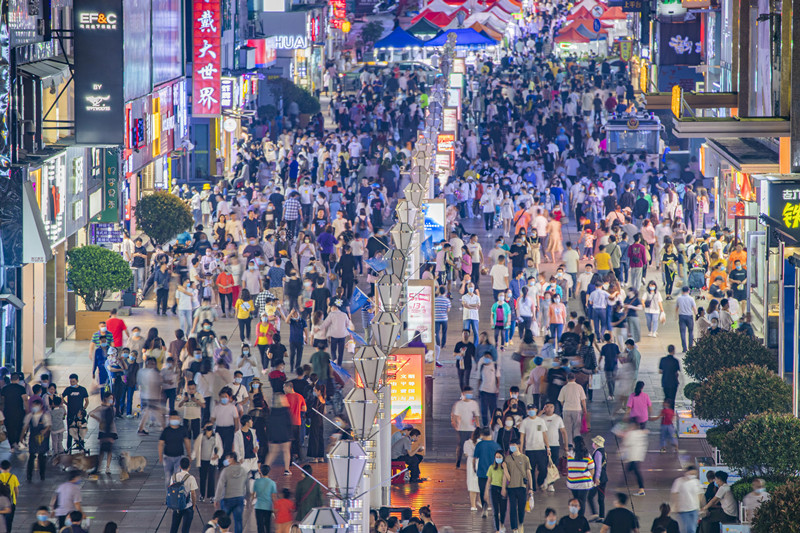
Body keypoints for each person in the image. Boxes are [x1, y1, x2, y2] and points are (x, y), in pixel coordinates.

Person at [503, 437, 533, 533]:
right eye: (511, 445)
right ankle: (514, 528)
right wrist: (504, 487)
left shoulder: (525, 458)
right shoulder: (507, 459)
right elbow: (505, 474)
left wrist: (531, 488)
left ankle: (520, 523)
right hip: (511, 487)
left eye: (514, 445)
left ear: (518, 446)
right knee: (512, 508)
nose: (512, 447)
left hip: (522, 487)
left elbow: (529, 473)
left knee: (521, 508)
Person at [215, 452, 250, 533]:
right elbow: (247, 484)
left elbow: (220, 485)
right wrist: (247, 496)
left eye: (228, 458)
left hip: (227, 499)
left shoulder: (226, 471)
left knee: (224, 522)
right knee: (238, 521)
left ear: (232, 458)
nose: (226, 460)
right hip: (239, 498)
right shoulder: (243, 470)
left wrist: (217, 498)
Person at [519, 403, 549, 492]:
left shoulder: (541, 421)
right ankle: (532, 487)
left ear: (536, 410)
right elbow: (522, 436)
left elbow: (544, 434)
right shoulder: (525, 422)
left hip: (540, 449)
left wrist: (548, 447)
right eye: (529, 409)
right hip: (529, 449)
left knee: (543, 468)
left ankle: (540, 482)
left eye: (533, 409)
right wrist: (521, 449)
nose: (531, 411)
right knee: (530, 470)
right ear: (527, 411)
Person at [159, 411, 192, 488]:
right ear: (169, 419)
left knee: (177, 477)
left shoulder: (182, 429)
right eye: (173, 418)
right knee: (168, 477)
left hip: (179, 456)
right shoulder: (166, 430)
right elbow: (161, 443)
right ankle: (168, 496)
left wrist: (189, 454)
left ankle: (176, 495)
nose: (175, 420)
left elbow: (187, 442)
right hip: (167, 457)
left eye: (176, 418)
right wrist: (160, 456)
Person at [473, 427, 501, 515]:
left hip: (482, 471)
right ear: (490, 434)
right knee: (496, 491)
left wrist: (474, 468)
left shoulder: (479, 445)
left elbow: (475, 458)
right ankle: (498, 509)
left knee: (482, 490)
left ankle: (484, 509)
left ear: (482, 434)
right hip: (495, 472)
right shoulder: (496, 445)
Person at [22, 398, 51, 481]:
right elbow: (25, 427)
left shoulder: (45, 415)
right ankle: (29, 476)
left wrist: (45, 430)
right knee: (31, 457)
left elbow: (48, 426)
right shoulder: (29, 416)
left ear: (41, 406)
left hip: (42, 438)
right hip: (32, 438)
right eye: (33, 406)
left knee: (42, 457)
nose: (34, 407)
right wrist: (22, 436)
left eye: (36, 406)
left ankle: (42, 475)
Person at [451, 387, 480, 468]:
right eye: (468, 393)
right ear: (463, 393)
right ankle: (458, 461)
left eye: (470, 393)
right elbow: (455, 416)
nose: (469, 394)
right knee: (461, 445)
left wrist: (478, 426)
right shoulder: (459, 404)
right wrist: (456, 424)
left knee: (473, 445)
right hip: (462, 429)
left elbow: (476, 415)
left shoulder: (474, 404)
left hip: (472, 429)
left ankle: (472, 462)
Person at [566, 436, 595, 516]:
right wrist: (591, 479)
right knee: (582, 501)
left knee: (576, 500)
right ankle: (581, 518)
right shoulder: (587, 455)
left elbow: (569, 467)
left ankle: (575, 516)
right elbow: (592, 469)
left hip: (572, 483)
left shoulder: (570, 455)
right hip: (584, 483)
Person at [670, 466, 704, 533]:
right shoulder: (679, 481)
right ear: (686, 473)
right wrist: (675, 505)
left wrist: (701, 506)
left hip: (694, 509)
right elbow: (674, 493)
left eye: (694, 474)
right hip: (683, 510)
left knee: (693, 529)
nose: (693, 475)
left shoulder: (696, 482)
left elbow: (700, 494)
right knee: (688, 529)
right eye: (691, 473)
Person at [168, 457, 199, 533]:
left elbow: (171, 490)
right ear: (189, 466)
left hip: (176, 505)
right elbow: (193, 493)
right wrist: (194, 504)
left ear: (180, 466)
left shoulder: (174, 477)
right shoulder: (191, 478)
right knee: (185, 529)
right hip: (188, 506)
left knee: (174, 528)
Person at [558, 373, 588, 445]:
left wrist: (564, 406)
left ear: (567, 379)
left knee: (567, 427)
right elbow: (583, 400)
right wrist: (585, 409)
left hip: (566, 409)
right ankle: (577, 442)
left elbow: (561, 400)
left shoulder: (564, 388)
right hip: (577, 409)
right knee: (577, 427)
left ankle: (569, 443)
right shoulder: (579, 387)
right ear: (575, 378)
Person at [485, 450, 507, 533]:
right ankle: (497, 528)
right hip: (493, 489)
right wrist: (486, 492)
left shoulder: (505, 467)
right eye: (496, 457)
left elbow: (507, 477)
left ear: (503, 458)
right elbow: (489, 480)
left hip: (503, 488)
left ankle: (502, 523)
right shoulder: (491, 467)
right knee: (495, 510)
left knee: (503, 509)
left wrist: (504, 488)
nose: (498, 459)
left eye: (500, 457)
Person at [252, 464, 277, 533]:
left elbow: (253, 495)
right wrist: (275, 507)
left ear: (261, 472)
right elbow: (273, 496)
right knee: (267, 524)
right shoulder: (272, 483)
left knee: (260, 525)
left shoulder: (257, 482)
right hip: (268, 507)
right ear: (269, 472)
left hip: (258, 506)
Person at [463, 428, 482, 511]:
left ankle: (473, 505)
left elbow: (466, 454)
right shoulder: (482, 443)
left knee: (471, 483)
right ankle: (480, 501)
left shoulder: (467, 443)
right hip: (480, 462)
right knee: (481, 482)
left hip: (471, 463)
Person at [675, 287, 698, 352]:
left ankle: (684, 348)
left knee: (682, 332)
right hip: (689, 316)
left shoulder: (679, 298)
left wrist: (676, 315)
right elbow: (694, 308)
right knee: (691, 332)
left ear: (682, 291)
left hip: (681, 316)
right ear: (688, 291)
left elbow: (676, 307)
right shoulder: (691, 299)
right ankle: (690, 346)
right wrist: (696, 315)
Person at [0, 462, 18, 532]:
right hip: (10, 501)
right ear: (9, 467)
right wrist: (15, 500)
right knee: (9, 521)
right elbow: (16, 490)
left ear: (0, 468)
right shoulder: (13, 477)